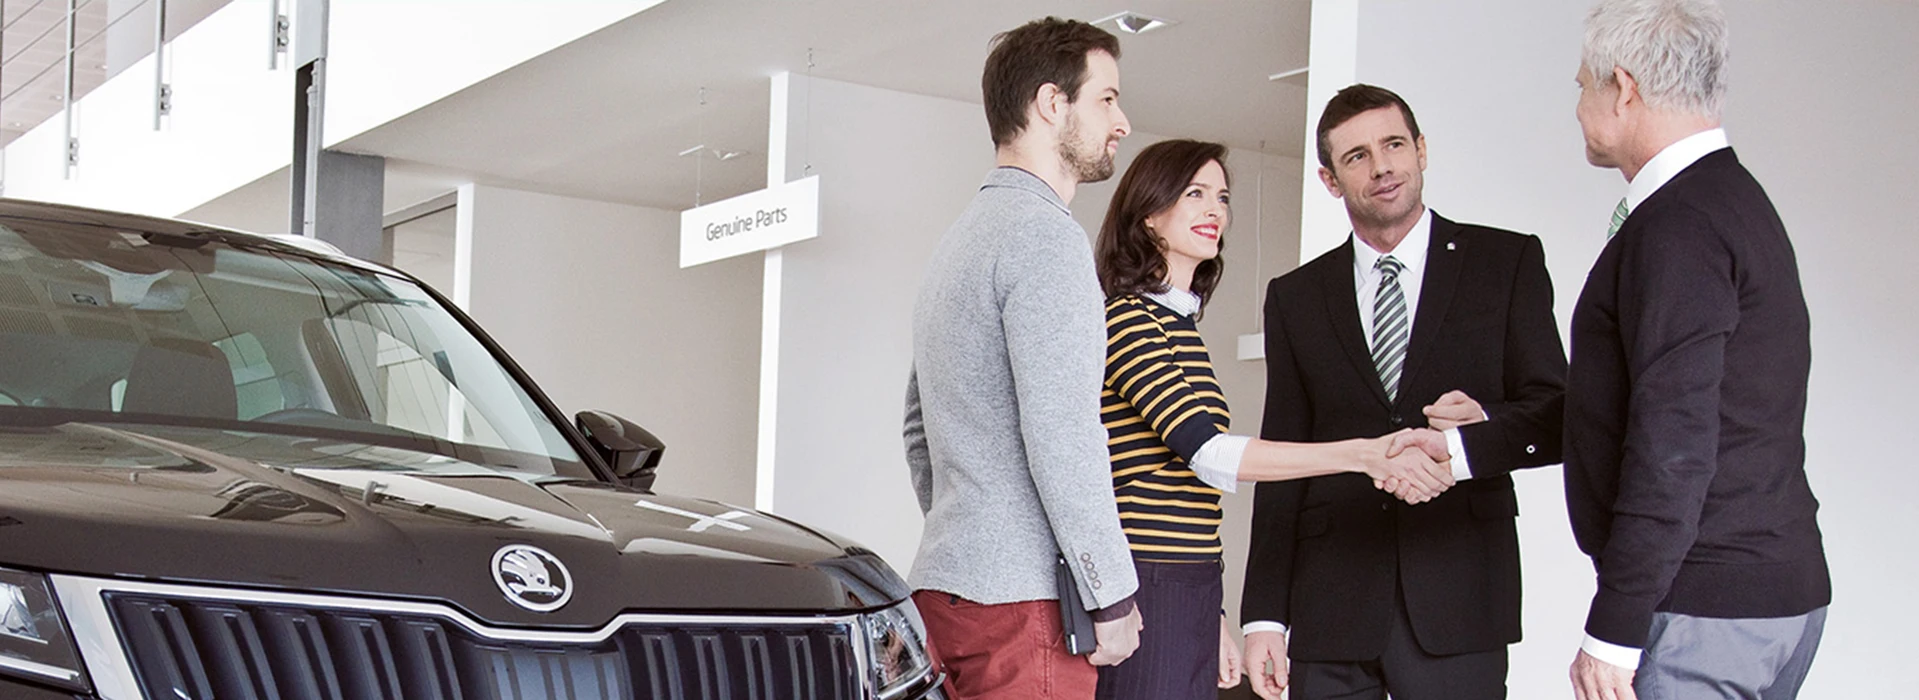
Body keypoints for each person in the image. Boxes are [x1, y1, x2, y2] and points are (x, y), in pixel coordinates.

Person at [1090, 138, 1454, 700]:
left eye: (1223, 197)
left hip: (1188, 578)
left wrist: (1212, 615)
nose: (1216, 211)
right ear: (1148, 214)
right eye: (1195, 194)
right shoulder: (1129, 319)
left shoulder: (1178, 324)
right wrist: (1361, 453)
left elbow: (1189, 491)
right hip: (1148, 578)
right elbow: (1207, 453)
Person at [1239, 84, 1569, 700]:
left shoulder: (1507, 262)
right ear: (1331, 180)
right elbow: (1283, 455)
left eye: (1394, 144)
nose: (1382, 165)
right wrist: (1263, 616)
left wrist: (1474, 439)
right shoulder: (1297, 296)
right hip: (1330, 603)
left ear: (1420, 150)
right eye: (1357, 156)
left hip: (1460, 597)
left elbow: (1557, 415)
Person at [1566, 2, 1830, 698]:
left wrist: (1613, 629)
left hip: (1706, 609)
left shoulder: (1677, 224)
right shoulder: (1733, 201)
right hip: (1769, 594)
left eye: (1580, 87)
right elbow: (1657, 398)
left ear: (1622, 88)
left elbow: (1673, 438)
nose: (1577, 107)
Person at [901, 17, 1144, 699]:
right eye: (1105, 99)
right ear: (1049, 103)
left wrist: (976, 530)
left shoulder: (958, 243)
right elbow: (1063, 435)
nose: (1121, 121)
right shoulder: (1046, 240)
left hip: (945, 594)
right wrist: (1113, 596)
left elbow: (918, 429)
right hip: (1027, 612)